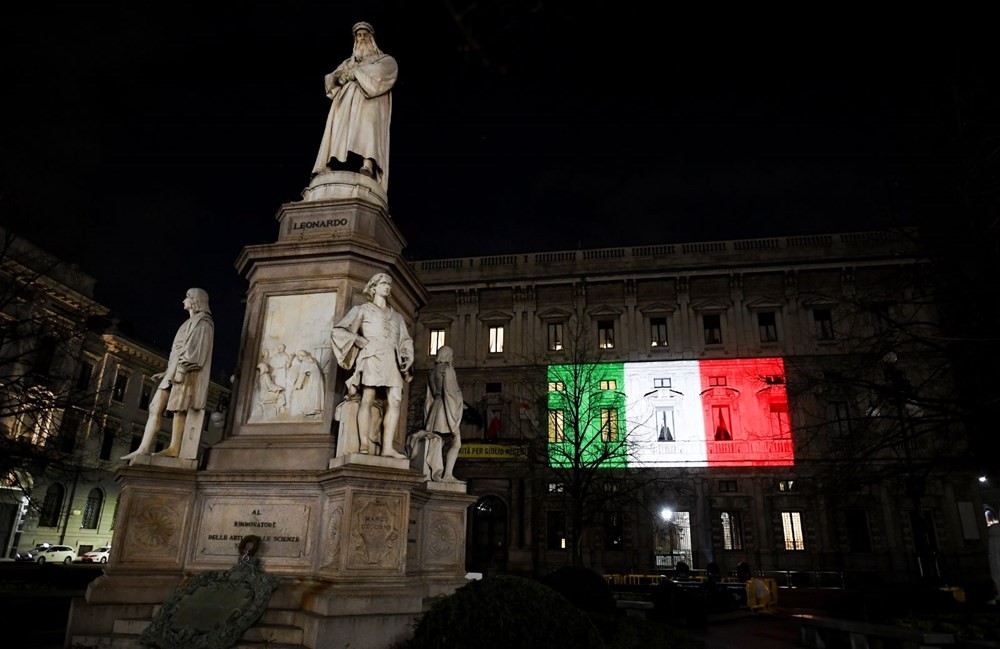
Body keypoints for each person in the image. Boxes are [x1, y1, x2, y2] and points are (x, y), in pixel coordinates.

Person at [122, 288, 214, 461]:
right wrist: (167, 371)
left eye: (187, 297)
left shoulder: (204, 322)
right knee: (155, 407)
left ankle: (174, 448)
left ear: (195, 300)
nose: (183, 301)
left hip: (184, 372)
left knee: (179, 410)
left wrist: (181, 369)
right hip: (173, 372)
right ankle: (143, 448)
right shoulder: (190, 322)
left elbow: (196, 352)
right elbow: (181, 351)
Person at [331, 273, 413, 458]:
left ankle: (387, 448)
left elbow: (406, 340)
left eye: (389, 284)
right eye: (383, 283)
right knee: (368, 396)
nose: (387, 286)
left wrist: (407, 356)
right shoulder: (362, 310)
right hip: (372, 355)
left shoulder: (398, 317)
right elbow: (339, 330)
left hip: (392, 358)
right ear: (374, 288)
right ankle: (364, 444)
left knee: (395, 400)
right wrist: (358, 339)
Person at [311, 21, 397, 189]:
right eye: (359, 35)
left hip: (369, 102)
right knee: (339, 132)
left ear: (371, 38)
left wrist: (356, 73)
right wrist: (342, 75)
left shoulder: (384, 59)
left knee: (368, 131)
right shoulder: (349, 62)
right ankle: (329, 164)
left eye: (365, 34)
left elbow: (383, 73)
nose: (362, 38)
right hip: (345, 104)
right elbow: (331, 79)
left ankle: (368, 165)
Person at [408, 345, 464, 482]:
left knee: (439, 441)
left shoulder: (433, 372)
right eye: (451, 355)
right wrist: (458, 407)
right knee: (457, 442)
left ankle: (435, 470)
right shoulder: (447, 370)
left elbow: (430, 396)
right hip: (445, 409)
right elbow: (450, 393)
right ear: (448, 356)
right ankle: (447, 474)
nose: (452, 358)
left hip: (435, 408)